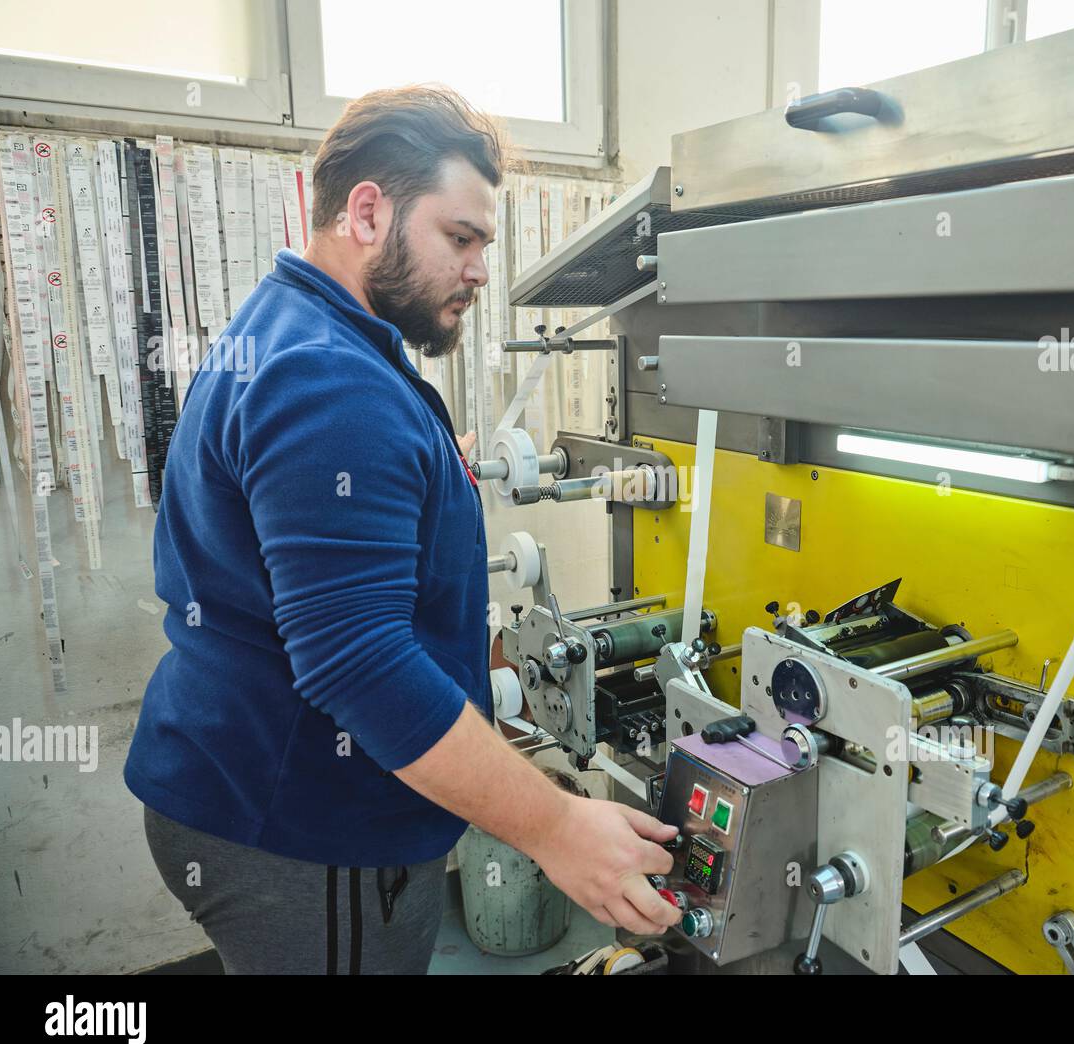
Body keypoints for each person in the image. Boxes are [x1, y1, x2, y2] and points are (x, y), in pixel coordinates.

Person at [124, 85, 680, 974]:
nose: (479, 270)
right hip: (308, 832)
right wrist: (557, 826)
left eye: (483, 245)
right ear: (370, 211)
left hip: (241, 779)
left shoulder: (309, 335)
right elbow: (357, 661)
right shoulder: (329, 381)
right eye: (459, 238)